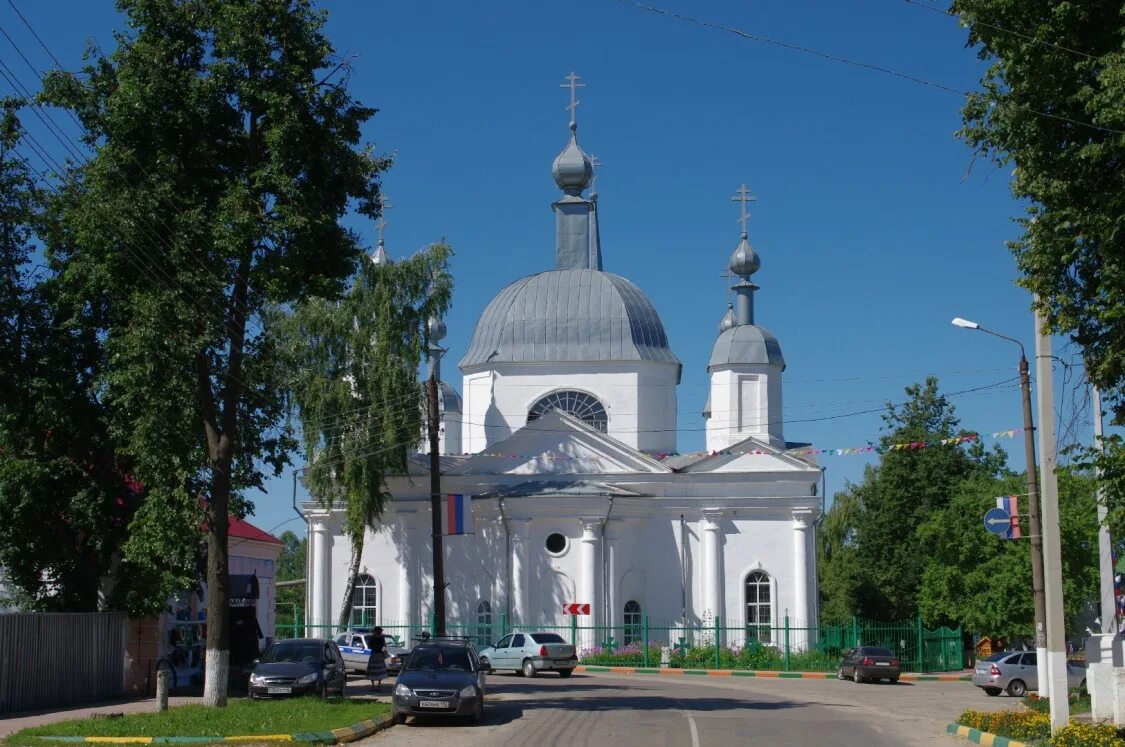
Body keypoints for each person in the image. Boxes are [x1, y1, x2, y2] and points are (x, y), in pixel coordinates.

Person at [366, 626, 388, 691]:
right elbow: (384, 646)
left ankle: (373, 686)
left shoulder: (371, 637)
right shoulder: (382, 637)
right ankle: (379, 685)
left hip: (373, 655)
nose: (381, 632)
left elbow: (369, 646)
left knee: (372, 670)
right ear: (379, 631)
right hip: (380, 655)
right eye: (381, 631)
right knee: (380, 670)